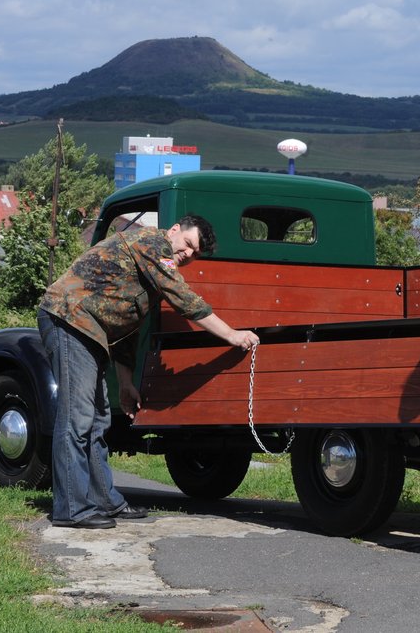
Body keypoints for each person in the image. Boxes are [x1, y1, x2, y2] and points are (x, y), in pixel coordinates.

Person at [37, 213, 259, 529]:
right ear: (175, 230)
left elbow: (126, 330)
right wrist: (232, 334)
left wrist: (126, 384)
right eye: (187, 245)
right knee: (78, 417)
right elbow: (185, 300)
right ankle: (71, 508)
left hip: (90, 330)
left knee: (99, 420)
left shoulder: (148, 275)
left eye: (194, 255)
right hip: (69, 319)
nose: (187, 255)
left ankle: (104, 502)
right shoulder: (153, 243)